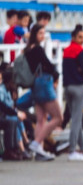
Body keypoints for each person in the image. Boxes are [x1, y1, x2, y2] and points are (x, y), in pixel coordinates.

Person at [23, 24, 60, 161]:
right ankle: (37, 143)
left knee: (41, 120)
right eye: (40, 33)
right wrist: (55, 74)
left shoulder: (27, 49)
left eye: (43, 33)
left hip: (35, 84)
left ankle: (40, 152)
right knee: (58, 117)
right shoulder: (37, 49)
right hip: (44, 83)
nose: (43, 36)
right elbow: (48, 65)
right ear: (35, 34)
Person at [62, 25, 83, 161]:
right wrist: (80, 71)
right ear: (73, 37)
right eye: (80, 37)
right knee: (76, 120)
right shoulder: (79, 50)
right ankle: (72, 150)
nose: (82, 40)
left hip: (67, 87)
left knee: (75, 119)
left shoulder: (66, 50)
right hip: (78, 86)